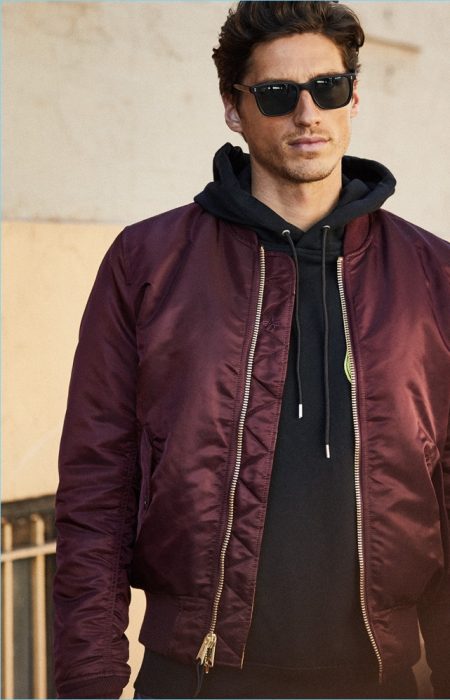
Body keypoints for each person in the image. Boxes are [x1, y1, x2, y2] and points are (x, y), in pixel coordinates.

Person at [53, 2, 450, 698]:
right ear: (233, 109)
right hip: (196, 678)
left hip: (379, 680)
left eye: (327, 87)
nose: (307, 113)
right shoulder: (147, 263)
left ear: (354, 97)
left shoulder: (432, 274)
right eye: (275, 94)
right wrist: (89, 678)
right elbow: (97, 487)